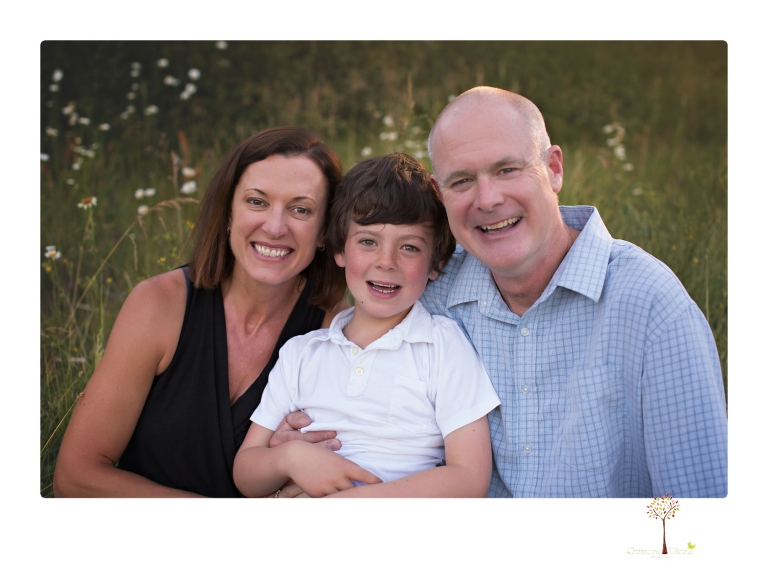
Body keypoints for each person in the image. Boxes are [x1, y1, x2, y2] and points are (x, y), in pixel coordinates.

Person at [418, 86, 728, 497]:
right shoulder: (431, 297)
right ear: (441, 196)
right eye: (462, 180)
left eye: (508, 170)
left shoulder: (650, 306)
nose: (488, 199)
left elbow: (698, 506)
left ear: (554, 169)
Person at [53, 127, 353, 497]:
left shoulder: (339, 332)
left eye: (301, 209)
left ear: (325, 231)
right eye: (256, 202)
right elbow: (75, 477)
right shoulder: (159, 305)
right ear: (228, 212)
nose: (275, 227)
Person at [232, 152, 501, 498]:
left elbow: (469, 479)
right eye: (368, 242)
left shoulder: (443, 346)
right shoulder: (302, 353)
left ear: (436, 263)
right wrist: (290, 457)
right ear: (340, 250)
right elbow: (246, 472)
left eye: (409, 247)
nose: (386, 262)